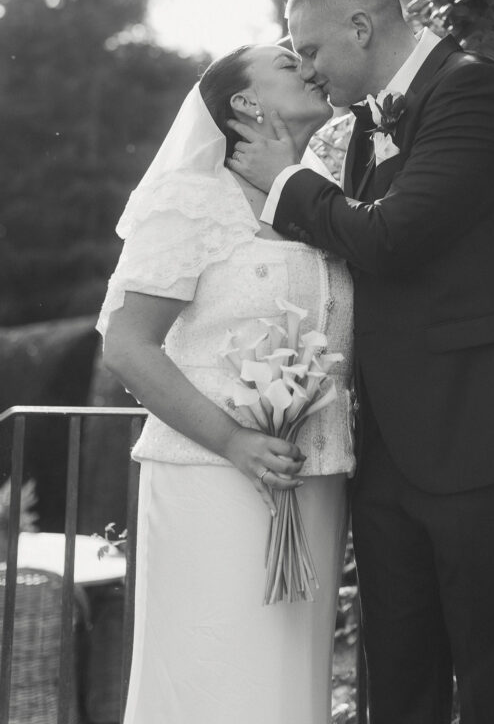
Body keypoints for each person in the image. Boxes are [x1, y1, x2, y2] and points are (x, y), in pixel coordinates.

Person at [227, 0, 494, 724]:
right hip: (391, 455)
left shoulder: (474, 91)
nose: (306, 69)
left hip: (488, 437)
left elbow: (392, 238)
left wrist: (286, 180)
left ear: (361, 26)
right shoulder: (363, 128)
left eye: (310, 49)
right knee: (395, 687)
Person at [97, 45, 355, 724]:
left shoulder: (322, 196)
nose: (309, 64)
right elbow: (127, 346)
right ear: (244, 102)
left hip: (312, 480)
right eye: (287, 60)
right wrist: (234, 440)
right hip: (212, 480)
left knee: (287, 683)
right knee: (216, 676)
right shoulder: (191, 198)